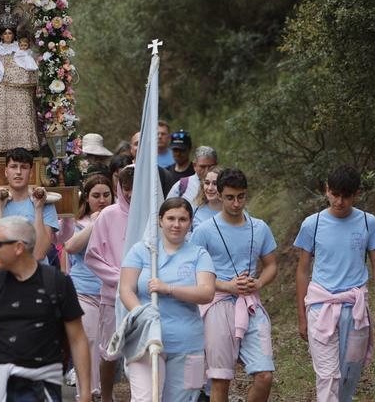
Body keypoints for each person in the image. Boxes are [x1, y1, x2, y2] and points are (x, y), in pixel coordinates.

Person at [0, 216, 91, 401]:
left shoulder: (58, 283)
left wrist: (86, 392)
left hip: (43, 386)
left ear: (18, 247)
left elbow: (78, 339)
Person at [294, 165, 375, 401]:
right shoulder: (312, 224)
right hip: (320, 305)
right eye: (334, 194)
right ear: (327, 190)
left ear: (356, 194)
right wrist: (302, 315)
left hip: (355, 308)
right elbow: (303, 270)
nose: (339, 201)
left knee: (349, 372)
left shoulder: (368, 222)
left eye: (345, 196)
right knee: (328, 376)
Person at [190, 168, 278, 402]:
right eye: (230, 197)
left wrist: (258, 281)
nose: (236, 203)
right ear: (219, 195)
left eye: (241, 197)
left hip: (250, 305)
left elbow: (271, 265)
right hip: (217, 305)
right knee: (220, 379)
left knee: (265, 375)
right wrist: (226, 286)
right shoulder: (204, 231)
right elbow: (192, 273)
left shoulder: (259, 227)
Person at [119, 198, 216, 401]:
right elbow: (126, 289)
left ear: (190, 222)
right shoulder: (142, 251)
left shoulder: (200, 254)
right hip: (146, 340)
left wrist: (169, 289)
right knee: (146, 399)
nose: (176, 224)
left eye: (182, 219)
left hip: (188, 344)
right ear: (160, 220)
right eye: (170, 218)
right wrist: (143, 314)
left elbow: (207, 292)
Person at [62, 174, 113, 401]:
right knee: (88, 342)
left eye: (106, 195)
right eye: (96, 196)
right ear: (87, 198)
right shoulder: (79, 223)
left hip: (111, 293)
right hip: (83, 292)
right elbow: (71, 247)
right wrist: (96, 223)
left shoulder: (120, 220)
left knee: (108, 348)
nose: (101, 200)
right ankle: (87, 393)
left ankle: (104, 391)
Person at [85, 165, 134, 401]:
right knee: (110, 351)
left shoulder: (155, 214)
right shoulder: (109, 215)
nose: (132, 194)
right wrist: (120, 277)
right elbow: (93, 256)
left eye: (136, 188)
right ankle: (106, 396)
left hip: (145, 293)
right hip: (113, 295)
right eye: (127, 188)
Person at [0, 147, 59, 262]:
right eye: (13, 166)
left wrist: (38, 209)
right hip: (4, 275)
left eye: (24, 167)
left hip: (37, 275)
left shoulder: (45, 203)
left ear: (31, 173)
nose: (18, 172)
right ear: (6, 172)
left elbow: (39, 254)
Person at [0, 27, 38, 153]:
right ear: (1, 35)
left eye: (10, 33)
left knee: (21, 112)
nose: (7, 36)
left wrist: (11, 75)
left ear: (13, 35)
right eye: (5, 33)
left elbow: (27, 67)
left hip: (18, 89)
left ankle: (23, 146)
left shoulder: (20, 48)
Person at [192, 166, 223, 231]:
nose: (210, 188)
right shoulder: (195, 210)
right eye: (207, 183)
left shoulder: (234, 212)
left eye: (215, 184)